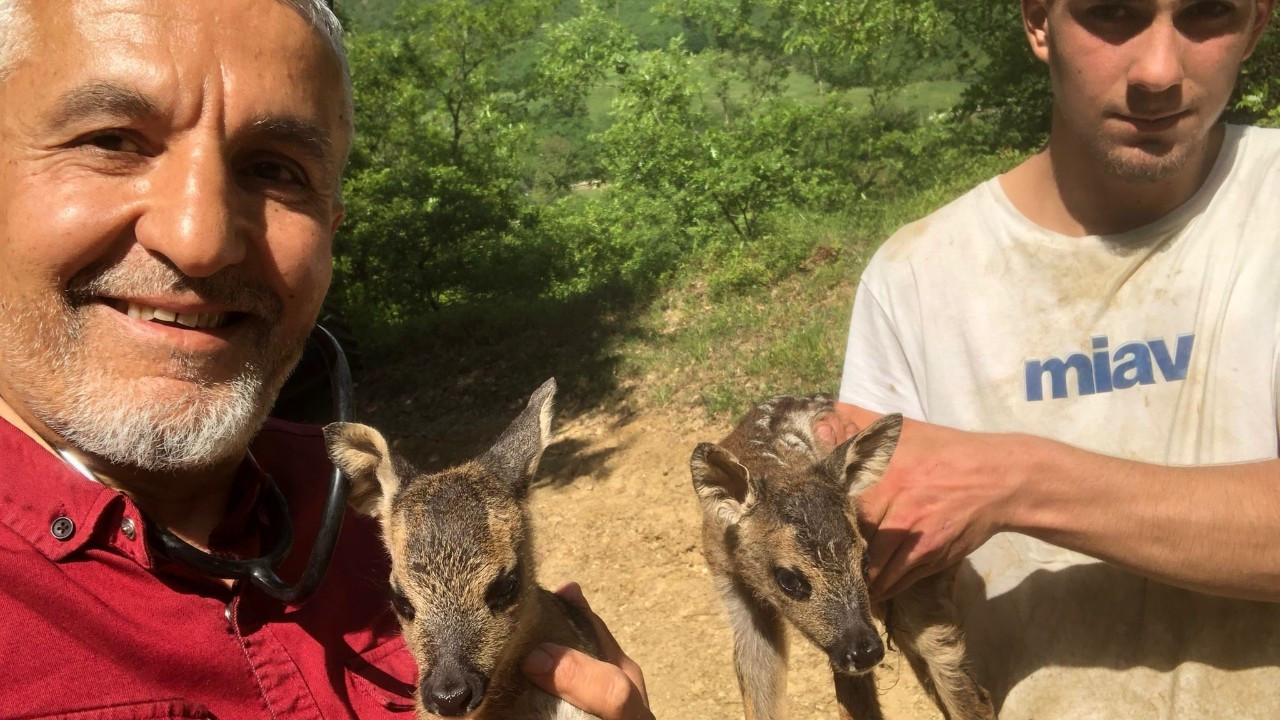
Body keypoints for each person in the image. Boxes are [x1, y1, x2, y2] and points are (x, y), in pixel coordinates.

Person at [0, 1, 650, 718]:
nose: (199, 237)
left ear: (330, 227)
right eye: (111, 140)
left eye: (275, 169)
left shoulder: (350, 498)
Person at [823, 0, 1280, 717]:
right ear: (1039, 21)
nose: (1159, 71)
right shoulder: (917, 280)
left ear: (1257, 24)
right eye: (1113, 14)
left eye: (1207, 14)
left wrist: (1016, 481)